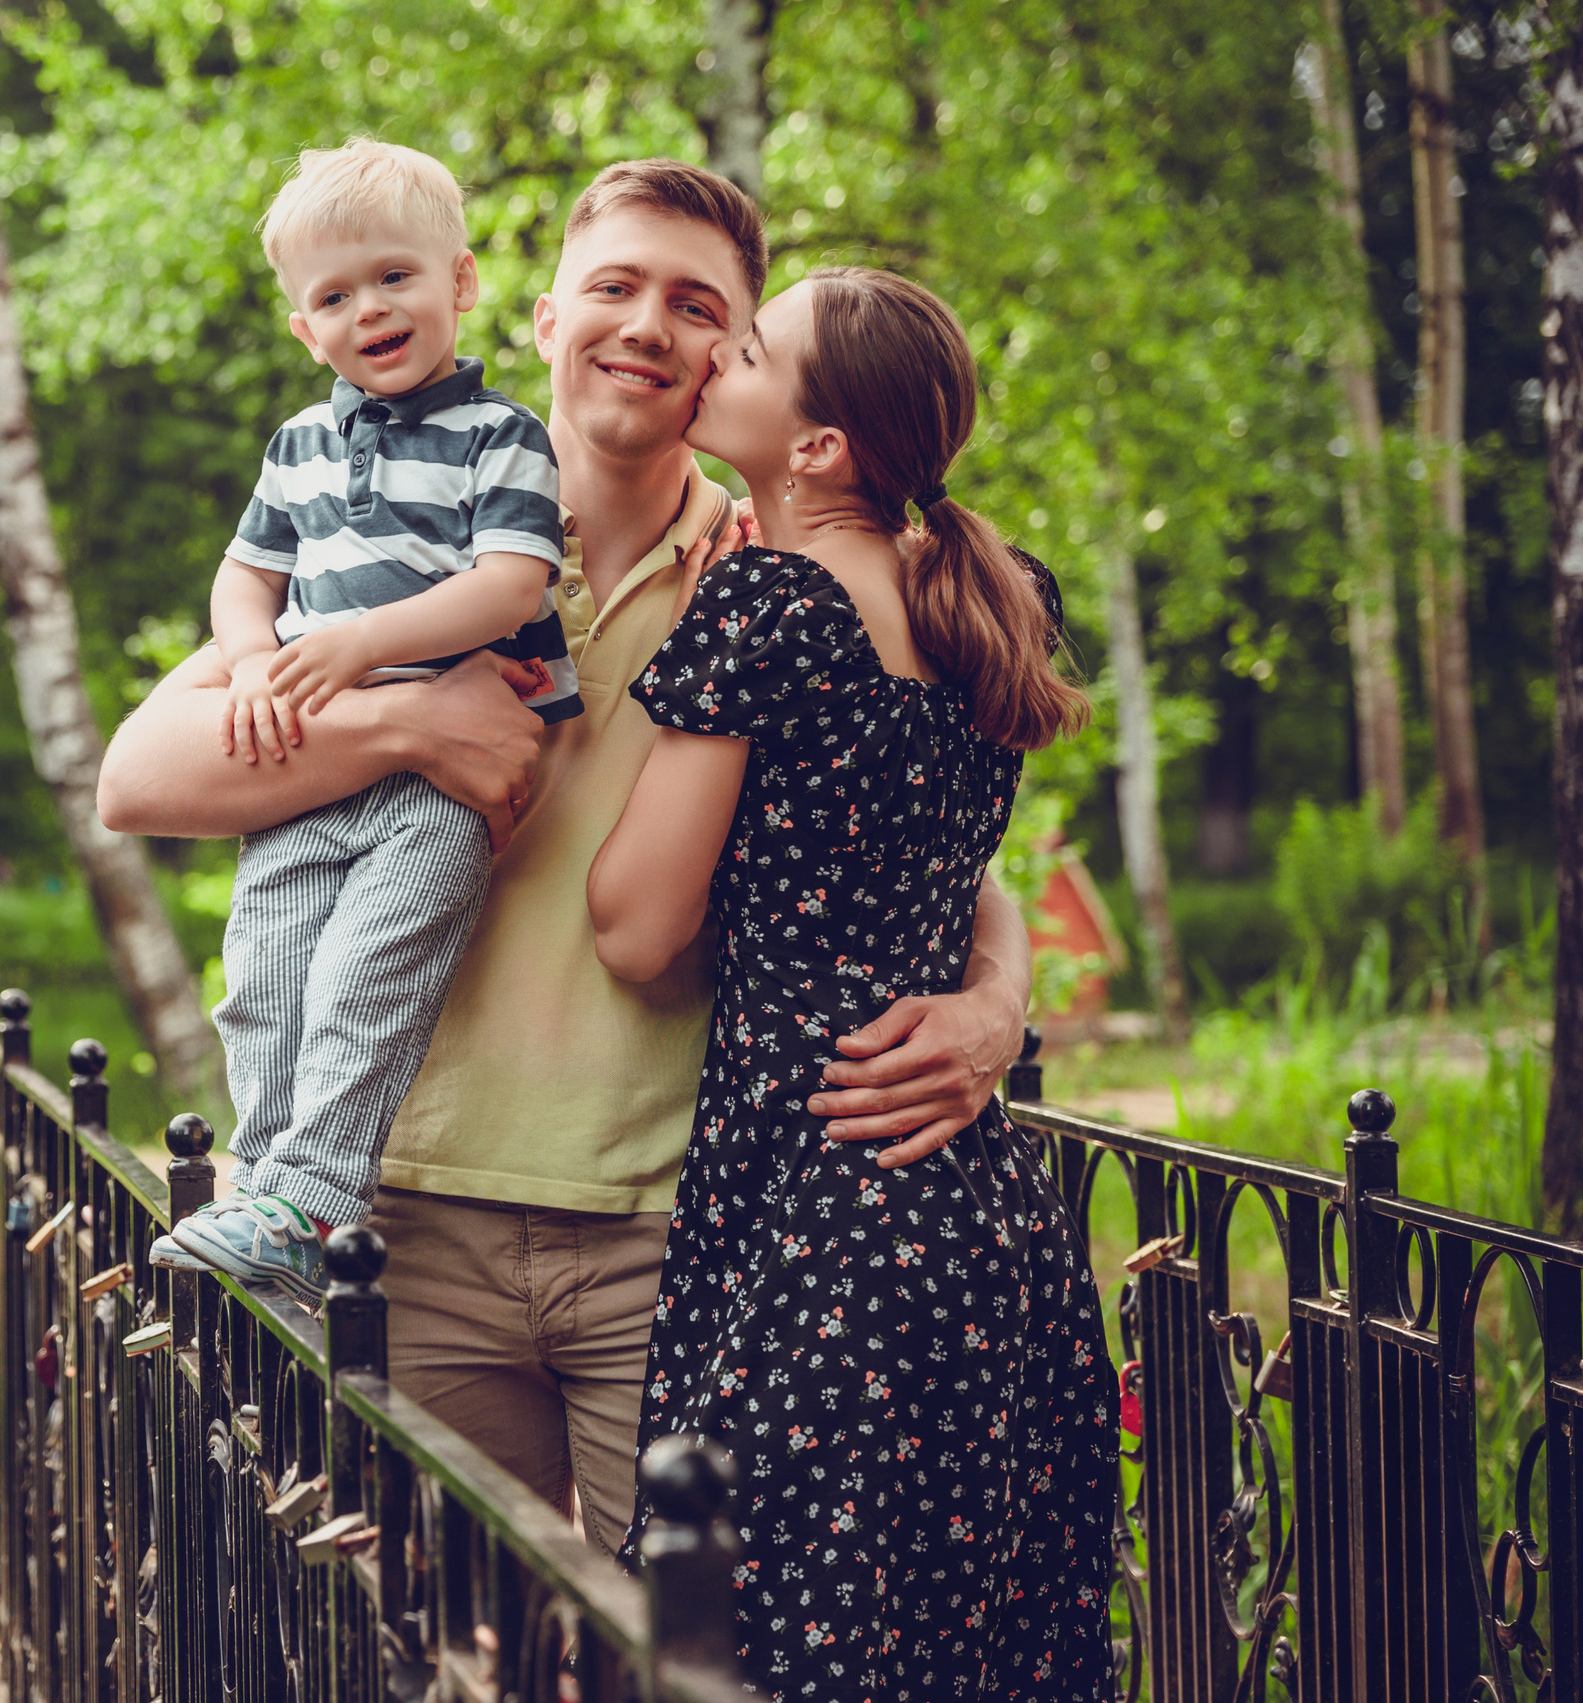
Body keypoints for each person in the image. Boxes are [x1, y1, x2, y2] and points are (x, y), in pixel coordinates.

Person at [99, 160, 1033, 1557]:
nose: (647, 324)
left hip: (672, 1223)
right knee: (462, 1645)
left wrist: (996, 998)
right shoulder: (399, 528)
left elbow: (911, 840)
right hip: (413, 1222)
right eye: (614, 287)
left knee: (677, 1639)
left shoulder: (765, 581)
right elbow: (137, 774)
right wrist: (416, 717)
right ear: (540, 318)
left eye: (696, 304)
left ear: (737, 354)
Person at [591, 267, 1114, 1694]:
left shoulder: (768, 603)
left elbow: (634, 924)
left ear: (816, 444)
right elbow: (948, 865)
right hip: (978, 1209)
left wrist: (704, 656)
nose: (712, 361)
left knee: (769, 1640)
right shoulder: (987, 591)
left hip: (822, 1198)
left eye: (746, 349)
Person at [146, 139, 572, 1305]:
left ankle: (316, 1189)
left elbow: (510, 585)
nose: (368, 309)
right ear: (302, 328)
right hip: (314, 770)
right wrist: (248, 662)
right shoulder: (297, 446)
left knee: (362, 975)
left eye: (394, 277)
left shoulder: (501, 434)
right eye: (332, 296)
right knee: (264, 977)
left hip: (441, 782)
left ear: (461, 281)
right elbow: (244, 578)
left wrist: (353, 644)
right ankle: (268, 1192)